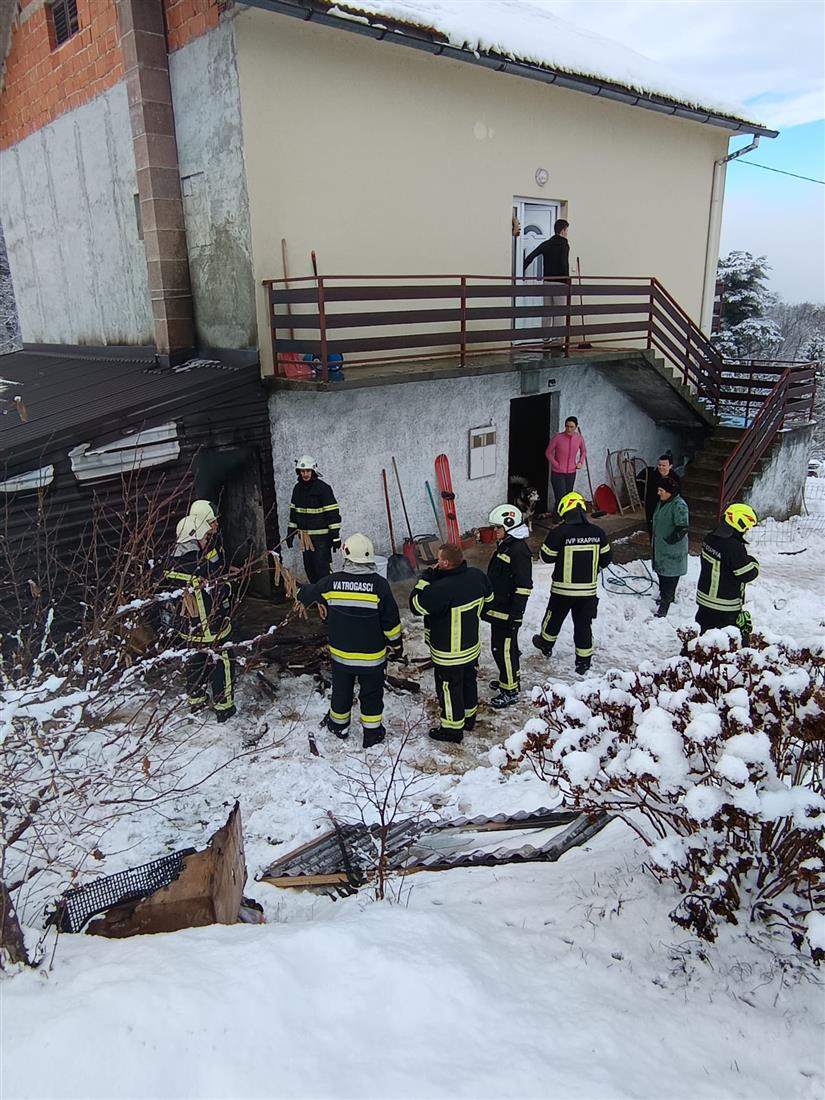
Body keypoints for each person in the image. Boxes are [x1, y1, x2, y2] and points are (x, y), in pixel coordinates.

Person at [297, 533, 402, 749]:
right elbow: (391, 621)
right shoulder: (380, 586)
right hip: (371, 658)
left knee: (342, 691)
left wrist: (297, 588)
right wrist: (396, 644)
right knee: (371, 694)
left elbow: (308, 594)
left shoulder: (331, 582)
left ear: (346, 555)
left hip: (342, 656)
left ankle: (339, 725)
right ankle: (372, 733)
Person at [409, 543, 493, 743]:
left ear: (446, 563)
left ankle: (452, 729)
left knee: (449, 688)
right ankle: (468, 718)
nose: (436, 563)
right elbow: (489, 601)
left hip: (448, 651)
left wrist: (425, 580)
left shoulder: (440, 589)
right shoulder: (477, 576)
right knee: (468, 681)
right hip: (471, 646)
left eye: (439, 560)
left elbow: (415, 605)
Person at [164, 499, 236, 722]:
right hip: (212, 626)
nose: (207, 539)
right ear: (194, 539)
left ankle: (196, 699)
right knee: (222, 662)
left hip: (188, 628)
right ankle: (224, 707)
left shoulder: (169, 564)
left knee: (195, 660)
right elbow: (221, 591)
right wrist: (228, 585)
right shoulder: (201, 569)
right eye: (204, 537)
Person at [533, 491, 612, 674]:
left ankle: (545, 644)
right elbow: (606, 559)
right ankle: (583, 661)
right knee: (583, 625)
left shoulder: (560, 532)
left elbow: (547, 557)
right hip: (587, 593)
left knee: (553, 619)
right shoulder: (597, 532)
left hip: (562, 591)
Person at [483, 504, 533, 708]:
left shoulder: (518, 550)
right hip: (500, 610)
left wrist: (516, 614)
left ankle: (510, 690)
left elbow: (523, 586)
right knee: (505, 648)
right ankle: (509, 679)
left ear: (509, 526)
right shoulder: (507, 545)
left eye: (497, 527)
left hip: (507, 613)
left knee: (503, 651)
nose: (494, 531)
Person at [696, 503, 759, 644]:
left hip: (704, 600)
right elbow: (747, 573)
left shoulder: (710, 538)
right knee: (726, 642)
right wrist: (754, 563)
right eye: (747, 527)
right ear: (740, 524)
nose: (747, 531)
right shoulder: (733, 547)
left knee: (703, 639)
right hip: (725, 605)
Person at [286, 455, 341, 582]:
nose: (305, 474)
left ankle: (326, 599)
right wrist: (290, 533)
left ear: (313, 471)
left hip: (321, 539)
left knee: (322, 571)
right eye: (302, 471)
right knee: (310, 570)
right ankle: (316, 599)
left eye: (308, 471)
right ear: (298, 472)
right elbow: (294, 513)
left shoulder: (323, 489)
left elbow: (332, 514)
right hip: (305, 539)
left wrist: (335, 536)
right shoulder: (297, 489)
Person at [523, 218, 570, 349]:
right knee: (559, 313)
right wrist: (567, 281)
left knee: (547, 312)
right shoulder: (564, 244)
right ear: (562, 230)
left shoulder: (546, 244)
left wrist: (521, 271)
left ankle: (545, 340)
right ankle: (558, 342)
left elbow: (530, 257)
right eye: (567, 230)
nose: (567, 233)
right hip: (560, 283)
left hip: (547, 282)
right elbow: (563, 263)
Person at [651, 476, 689, 617]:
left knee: (669, 578)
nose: (659, 493)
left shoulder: (679, 505)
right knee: (662, 575)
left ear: (669, 491)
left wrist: (669, 541)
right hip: (661, 548)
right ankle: (666, 597)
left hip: (672, 551)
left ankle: (664, 607)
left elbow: (682, 527)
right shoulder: (663, 502)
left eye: (661, 490)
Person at [546, 416, 587, 515]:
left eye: (571, 427)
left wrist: (580, 462)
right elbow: (548, 453)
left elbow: (584, 451)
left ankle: (566, 519)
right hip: (558, 473)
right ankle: (557, 519)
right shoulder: (558, 437)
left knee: (568, 497)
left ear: (576, 427)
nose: (569, 429)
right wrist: (556, 464)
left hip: (571, 472)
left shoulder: (579, 438)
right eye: (567, 426)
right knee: (561, 496)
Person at [645, 451, 682, 536]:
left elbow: (678, 496)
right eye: (659, 465)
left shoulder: (675, 479)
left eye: (664, 465)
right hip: (654, 507)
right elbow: (649, 496)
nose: (661, 467)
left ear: (670, 466)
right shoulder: (653, 476)